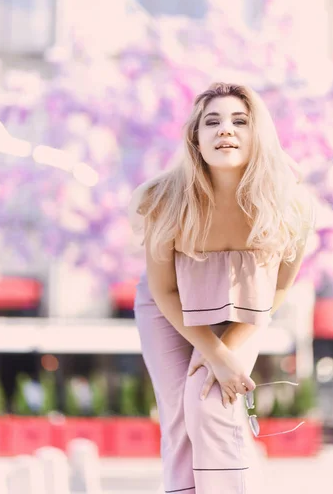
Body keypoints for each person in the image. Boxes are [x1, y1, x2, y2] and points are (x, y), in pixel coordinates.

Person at [128, 82, 313, 493]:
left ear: (258, 134)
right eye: (211, 121)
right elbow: (166, 292)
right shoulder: (166, 201)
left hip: (248, 309)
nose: (224, 129)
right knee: (179, 414)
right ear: (195, 138)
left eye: (239, 121)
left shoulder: (289, 205)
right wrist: (214, 353)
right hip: (169, 307)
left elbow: (278, 288)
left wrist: (228, 352)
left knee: (210, 401)